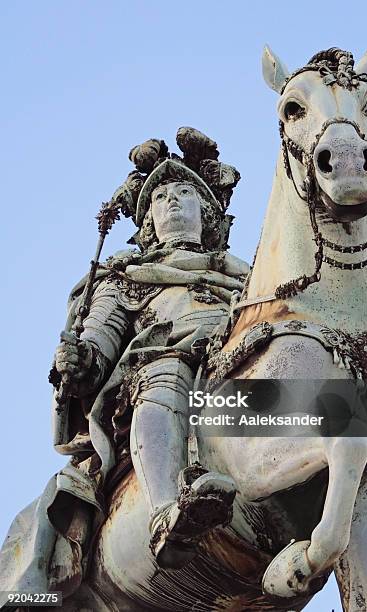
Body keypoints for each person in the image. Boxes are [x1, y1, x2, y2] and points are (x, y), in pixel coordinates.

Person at [49, 128, 249, 570]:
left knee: (330, 390)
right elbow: (99, 340)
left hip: (237, 365)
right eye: (159, 198)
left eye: (183, 192)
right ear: (147, 221)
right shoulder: (124, 277)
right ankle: (166, 514)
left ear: (209, 213)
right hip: (168, 370)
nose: (172, 201)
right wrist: (81, 359)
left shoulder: (252, 281)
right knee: (166, 373)